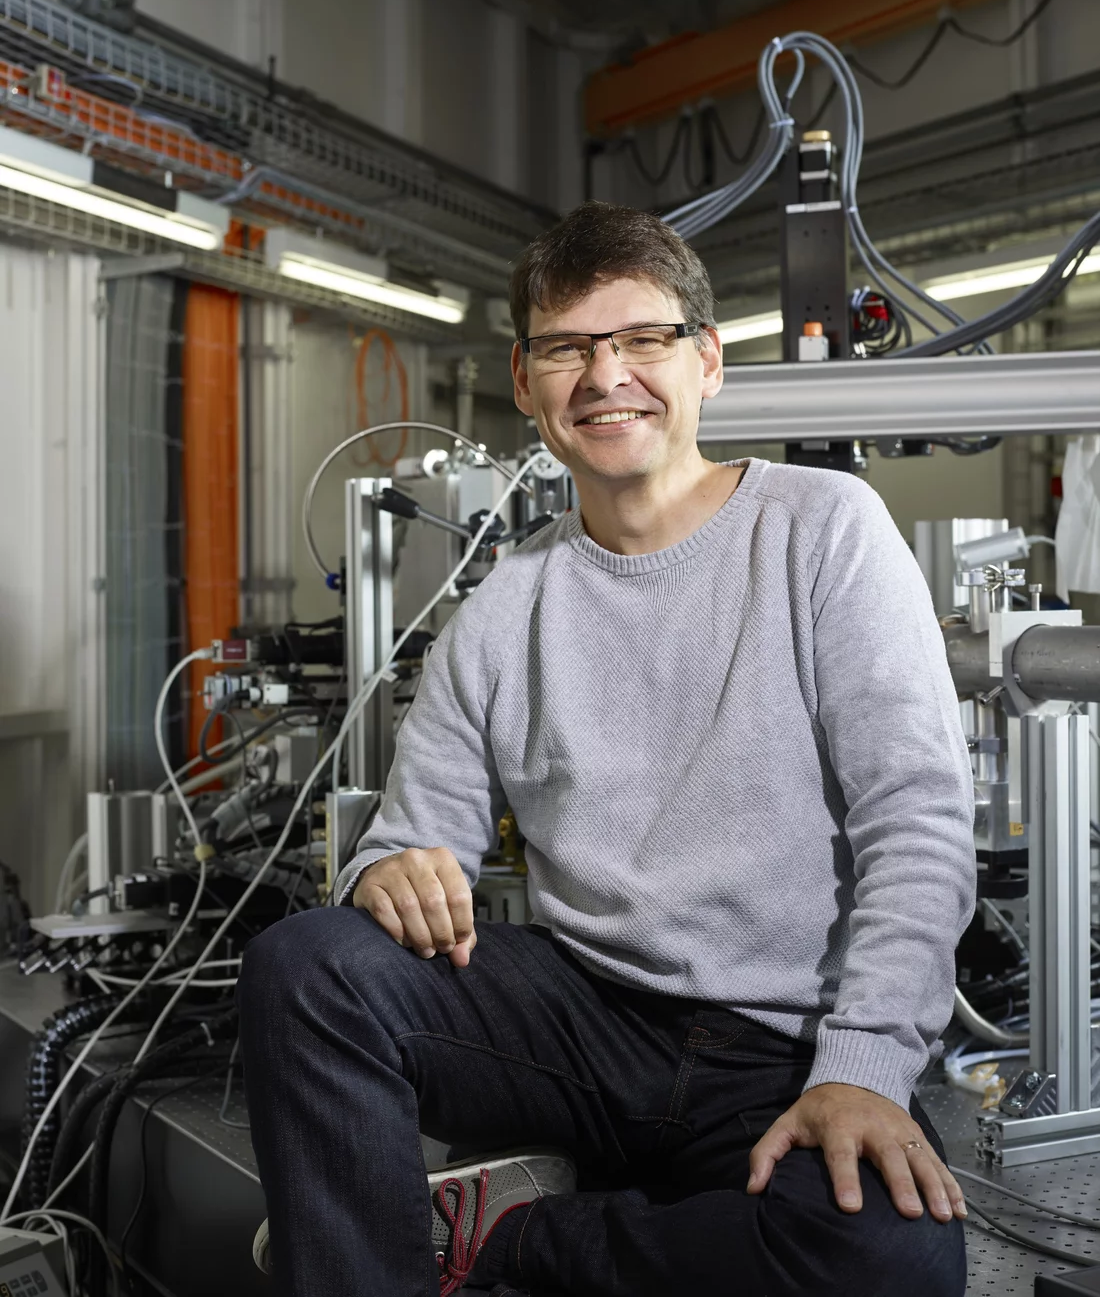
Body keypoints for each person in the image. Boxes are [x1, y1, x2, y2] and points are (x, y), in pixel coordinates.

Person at [238, 201, 976, 1297]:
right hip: (582, 1024)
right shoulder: (499, 613)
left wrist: (865, 1068)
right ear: (527, 380)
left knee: (892, 1260)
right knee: (307, 969)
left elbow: (915, 822)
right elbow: (402, 847)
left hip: (783, 1046)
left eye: (641, 339)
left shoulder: (822, 530)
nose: (605, 375)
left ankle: (506, 1244)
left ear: (707, 361)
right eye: (568, 347)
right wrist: (384, 870)